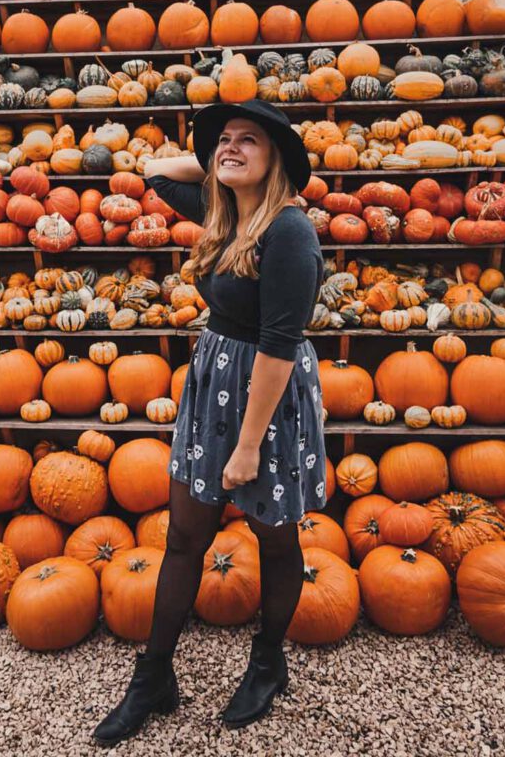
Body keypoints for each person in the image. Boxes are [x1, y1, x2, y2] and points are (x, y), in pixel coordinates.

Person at [93, 99, 326, 747]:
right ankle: (153, 675)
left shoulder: (287, 231)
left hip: (265, 403)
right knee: (183, 538)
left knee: (274, 541)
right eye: (223, 139)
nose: (230, 148)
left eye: (248, 141)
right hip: (214, 386)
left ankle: (267, 661)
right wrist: (218, 158)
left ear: (275, 158)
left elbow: (279, 346)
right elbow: (151, 171)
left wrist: (248, 447)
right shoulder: (226, 212)